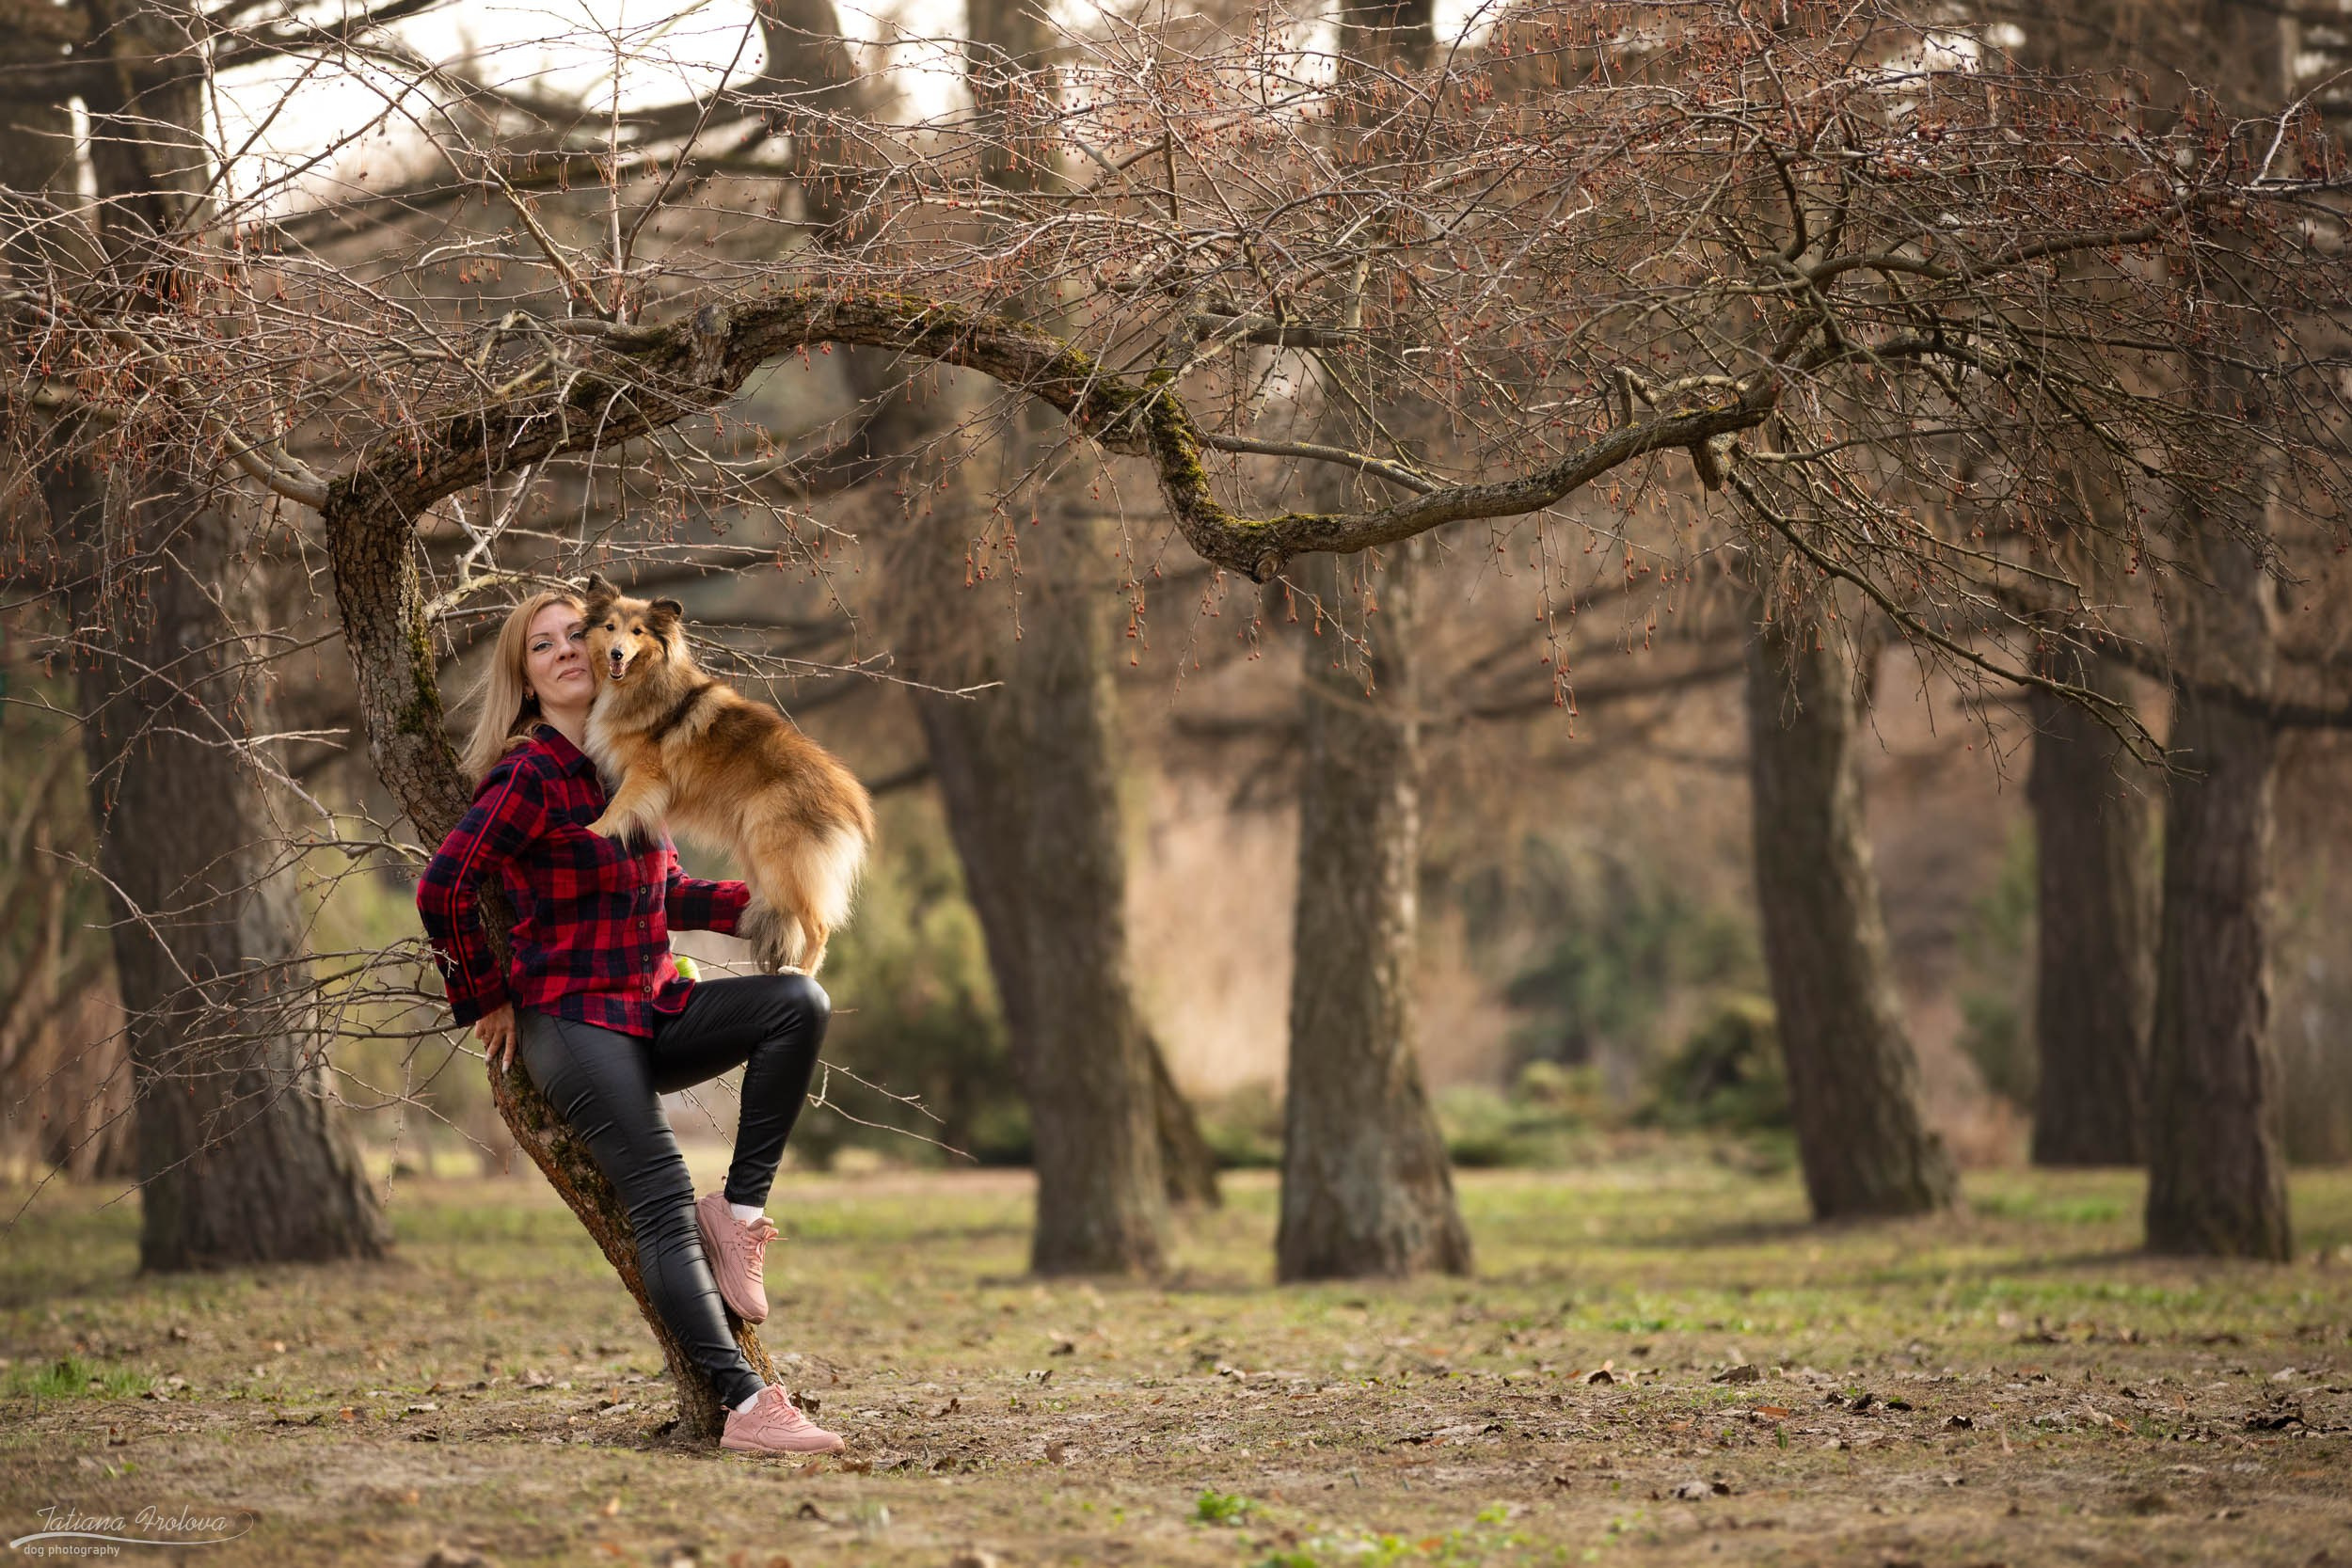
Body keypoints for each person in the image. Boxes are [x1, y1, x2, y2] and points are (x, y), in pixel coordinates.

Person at [416, 589, 844, 1456]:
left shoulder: (627, 764)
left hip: (651, 1005)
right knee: (656, 1197)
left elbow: (667, 890)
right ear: (528, 680)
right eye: (544, 647)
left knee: (798, 1002)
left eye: (580, 632)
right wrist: (485, 994)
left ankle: (741, 1211)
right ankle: (745, 1405)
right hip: (575, 1023)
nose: (572, 650)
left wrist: (772, 903)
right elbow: (443, 885)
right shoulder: (529, 773)